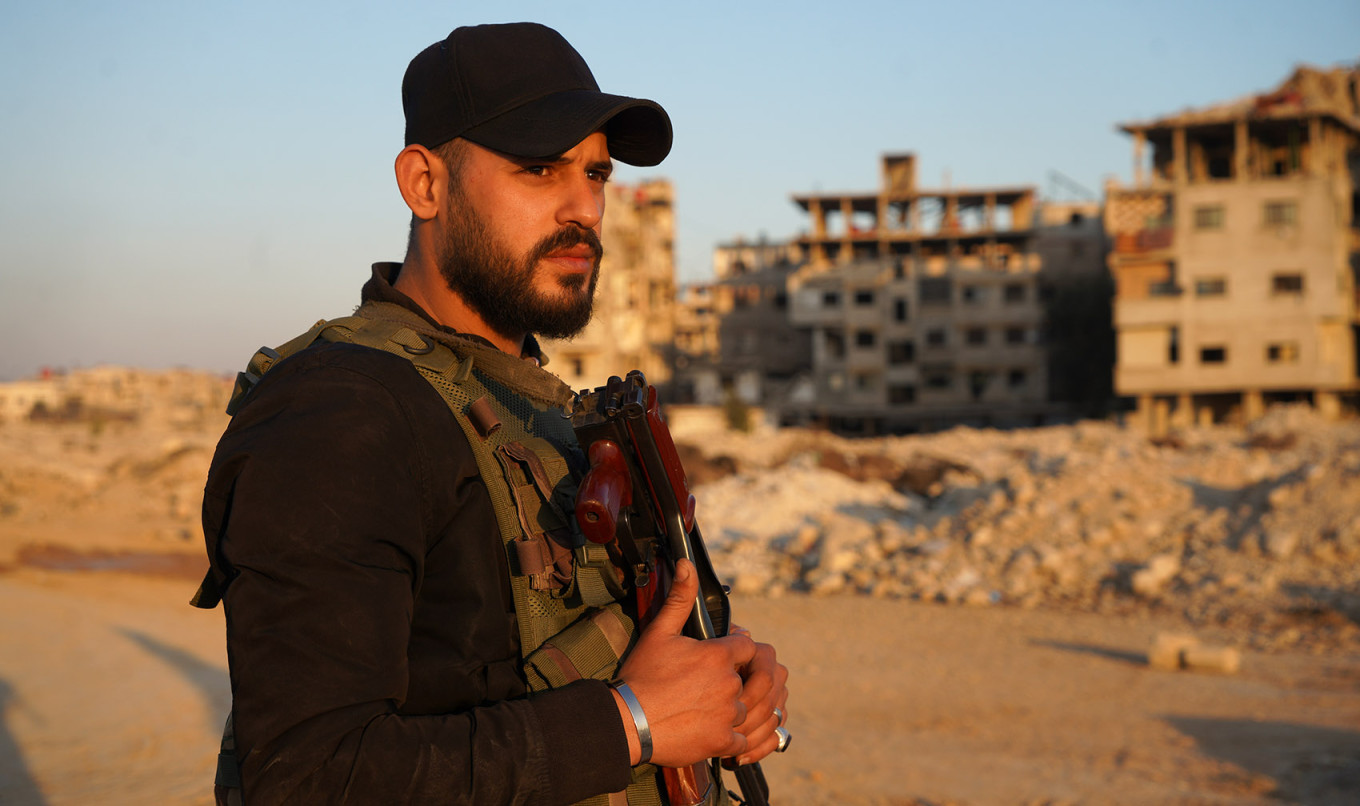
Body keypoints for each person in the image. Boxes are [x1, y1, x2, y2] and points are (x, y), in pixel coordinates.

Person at [192, 21, 789, 806]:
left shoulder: (529, 402)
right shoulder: (340, 415)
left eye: (597, 174)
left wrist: (728, 700)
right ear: (425, 184)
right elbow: (308, 776)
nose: (584, 209)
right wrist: (634, 724)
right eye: (539, 169)